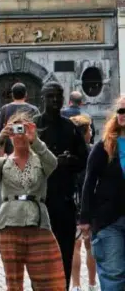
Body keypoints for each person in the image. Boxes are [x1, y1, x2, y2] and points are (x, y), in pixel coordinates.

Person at [0, 111, 64, 291]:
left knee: (48, 280)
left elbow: (54, 163)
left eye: (23, 130)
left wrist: (35, 140)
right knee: (14, 282)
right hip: (8, 224)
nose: (19, 135)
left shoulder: (40, 161)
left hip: (38, 224)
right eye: (15, 131)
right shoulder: (3, 164)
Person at [35, 77, 88, 290]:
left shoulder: (70, 128)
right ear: (43, 99)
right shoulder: (34, 126)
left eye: (58, 97)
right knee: (39, 252)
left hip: (64, 200)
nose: (55, 101)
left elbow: (83, 159)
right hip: (39, 201)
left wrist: (69, 161)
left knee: (64, 251)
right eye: (50, 97)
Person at [79, 95, 125, 291]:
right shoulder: (104, 146)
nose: (123, 115)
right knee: (114, 276)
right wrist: (85, 219)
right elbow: (89, 182)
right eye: (121, 111)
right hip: (109, 220)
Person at [69, 114, 98, 291]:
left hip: (73, 202)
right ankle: (93, 284)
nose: (91, 132)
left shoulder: (69, 153)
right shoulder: (92, 152)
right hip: (90, 204)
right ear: (85, 132)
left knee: (75, 246)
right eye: (89, 129)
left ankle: (76, 285)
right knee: (90, 246)